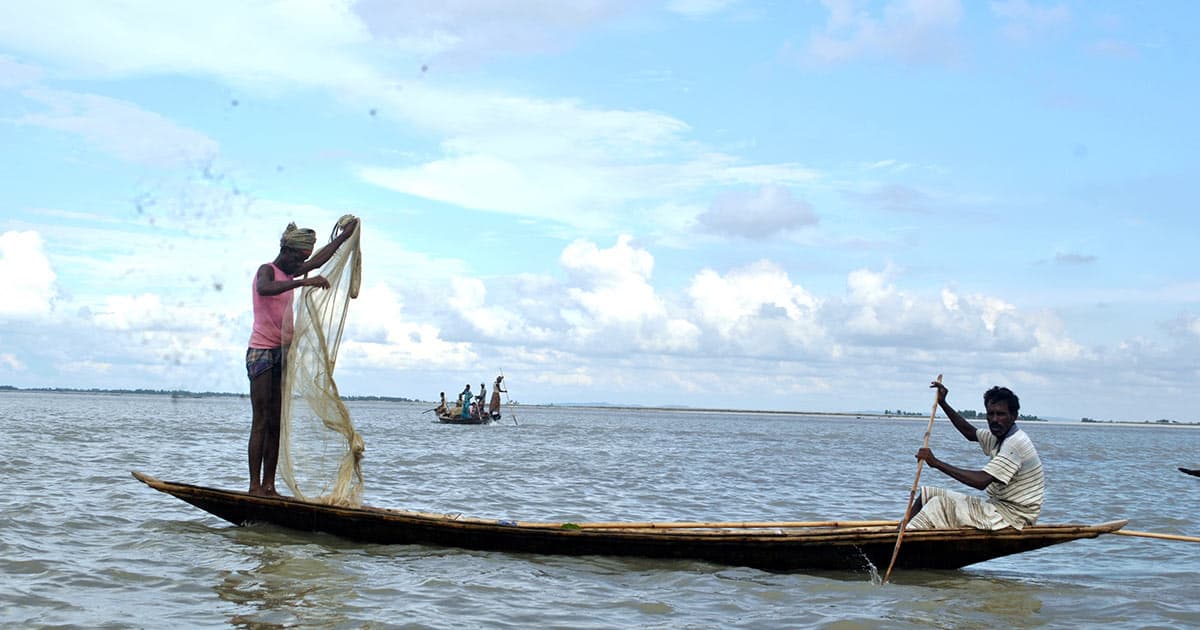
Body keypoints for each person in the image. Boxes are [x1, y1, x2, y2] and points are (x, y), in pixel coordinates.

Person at [246, 218, 358, 497]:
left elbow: (319, 260)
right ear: (287, 251)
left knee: (276, 421)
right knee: (260, 419)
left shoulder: (291, 273)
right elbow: (264, 289)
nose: (302, 262)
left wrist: (344, 237)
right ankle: (254, 486)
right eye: (299, 257)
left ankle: (269, 486)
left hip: (283, 353)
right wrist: (304, 281)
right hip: (261, 353)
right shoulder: (267, 271)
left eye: (304, 259)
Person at [907, 380, 1044, 530]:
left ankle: (904, 541)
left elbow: (981, 481)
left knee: (938, 505)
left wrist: (936, 463)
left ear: (1014, 416)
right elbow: (970, 433)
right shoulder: (999, 437)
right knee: (929, 494)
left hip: (1013, 516)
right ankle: (900, 531)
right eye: (991, 414)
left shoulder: (1015, 443)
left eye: (1001, 414)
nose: (994, 420)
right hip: (998, 507)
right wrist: (943, 403)